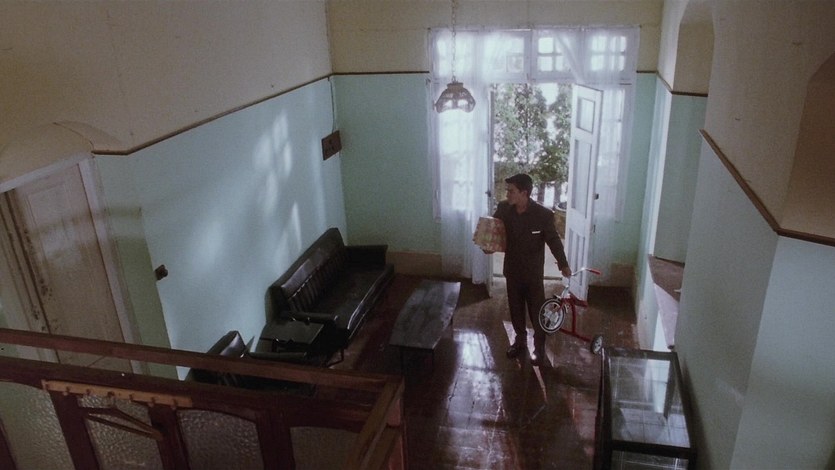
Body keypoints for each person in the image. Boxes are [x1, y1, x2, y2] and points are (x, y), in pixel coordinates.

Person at [491, 173, 571, 366]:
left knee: (537, 311)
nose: (507, 194)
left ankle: (539, 347)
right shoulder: (503, 209)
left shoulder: (543, 215)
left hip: (533, 274)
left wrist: (563, 264)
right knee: (516, 309)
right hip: (512, 270)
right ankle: (519, 341)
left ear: (524, 193)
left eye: (511, 191)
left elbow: (553, 241)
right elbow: (492, 231)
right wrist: (486, 246)